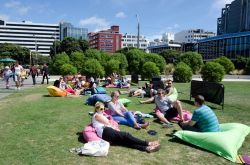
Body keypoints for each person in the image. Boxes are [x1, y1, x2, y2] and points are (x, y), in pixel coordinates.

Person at [92, 102, 160, 153]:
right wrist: (110, 122)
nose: (103, 110)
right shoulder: (97, 115)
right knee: (126, 135)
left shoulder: (100, 114)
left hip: (105, 134)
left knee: (126, 142)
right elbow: (107, 122)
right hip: (105, 131)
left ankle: (146, 148)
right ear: (96, 109)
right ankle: (148, 143)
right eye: (101, 109)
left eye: (104, 108)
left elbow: (108, 121)